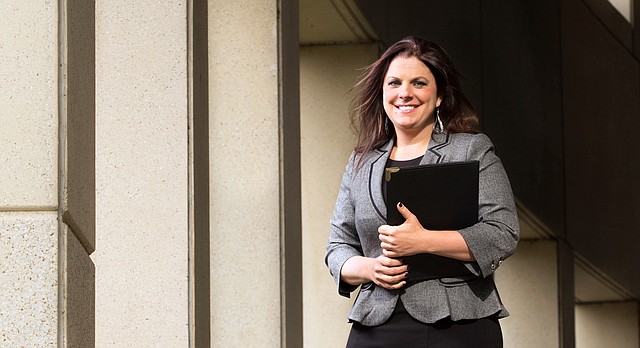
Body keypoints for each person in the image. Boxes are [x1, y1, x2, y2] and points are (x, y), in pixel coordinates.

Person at [325, 36, 519, 347]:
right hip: (375, 325)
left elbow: (502, 232)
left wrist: (424, 240)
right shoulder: (361, 161)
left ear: (440, 95)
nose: (405, 93)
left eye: (418, 83)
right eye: (394, 83)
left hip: (457, 325)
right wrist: (371, 269)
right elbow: (338, 247)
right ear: (382, 93)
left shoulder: (471, 149)